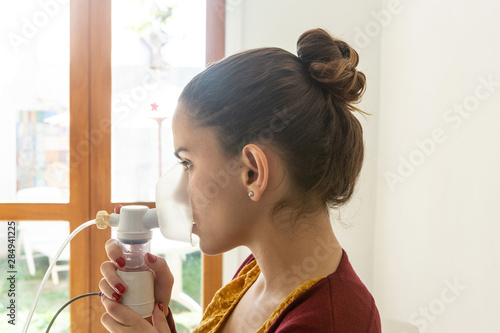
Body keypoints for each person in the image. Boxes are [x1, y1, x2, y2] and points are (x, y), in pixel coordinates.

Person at [99, 28, 382, 332]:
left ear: (253, 173)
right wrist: (151, 316)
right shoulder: (255, 274)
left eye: (187, 163)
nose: (178, 186)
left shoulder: (331, 321)